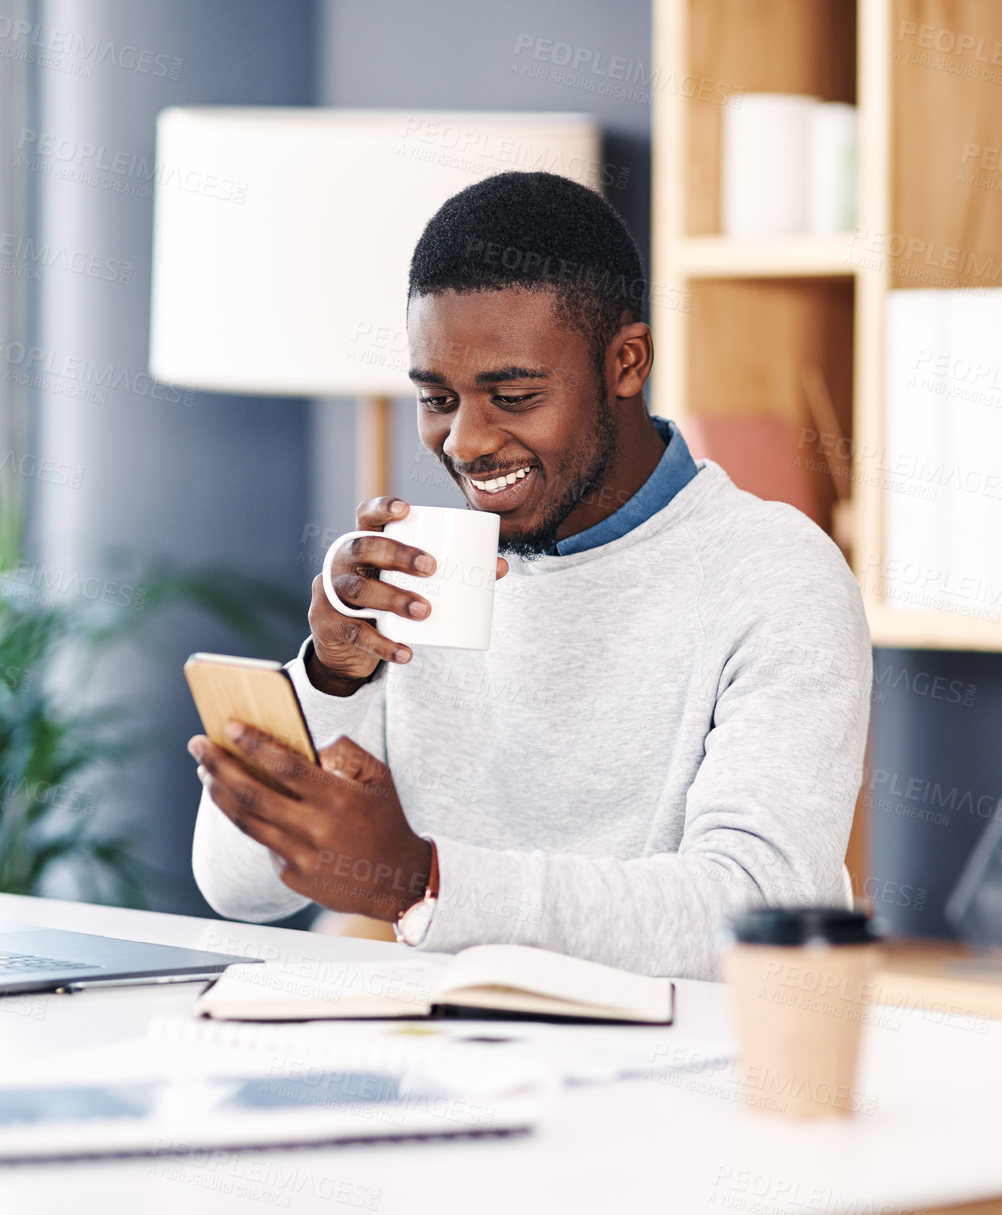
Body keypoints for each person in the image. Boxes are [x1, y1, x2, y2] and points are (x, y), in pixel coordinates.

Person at [187, 171, 870, 980]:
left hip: (678, 1078)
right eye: (437, 398)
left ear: (627, 361)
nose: (466, 442)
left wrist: (422, 878)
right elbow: (236, 888)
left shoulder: (773, 574)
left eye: (512, 395)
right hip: (449, 1064)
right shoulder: (425, 571)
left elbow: (753, 908)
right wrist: (333, 677)